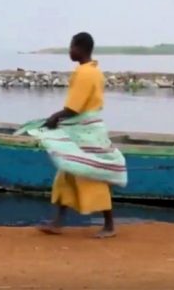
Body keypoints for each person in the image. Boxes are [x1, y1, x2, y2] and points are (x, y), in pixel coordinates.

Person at [38, 32, 117, 238]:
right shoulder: (95, 71)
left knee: (92, 176)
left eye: (71, 46)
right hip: (88, 129)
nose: (69, 50)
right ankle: (57, 222)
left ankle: (109, 225)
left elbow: (73, 108)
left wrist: (55, 117)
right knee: (66, 173)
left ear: (80, 48)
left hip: (85, 133)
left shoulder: (84, 73)